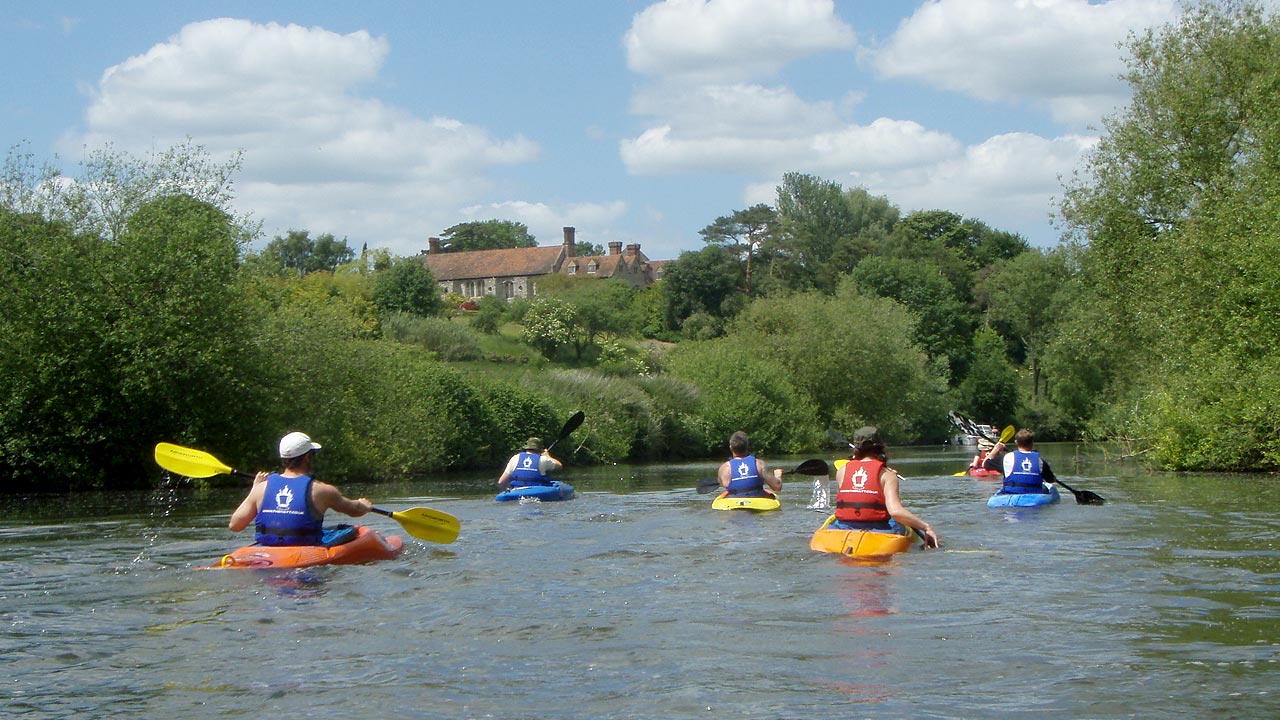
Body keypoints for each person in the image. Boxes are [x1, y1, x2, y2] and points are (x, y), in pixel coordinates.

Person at [228, 431, 372, 546]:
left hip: (268, 552)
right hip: (306, 556)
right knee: (355, 532)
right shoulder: (322, 491)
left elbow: (235, 525)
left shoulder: (261, 488)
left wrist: (255, 488)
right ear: (307, 457)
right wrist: (363, 505)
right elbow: (354, 510)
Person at [831, 427, 940, 548]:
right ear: (881, 448)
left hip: (841, 529)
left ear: (856, 449)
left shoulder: (842, 471)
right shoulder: (887, 475)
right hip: (877, 530)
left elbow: (854, 497)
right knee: (897, 522)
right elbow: (895, 512)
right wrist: (926, 527)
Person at [982, 428, 1057, 494]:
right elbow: (1050, 480)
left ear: (1016, 442)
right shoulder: (1040, 460)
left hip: (1011, 494)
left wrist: (996, 449)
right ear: (1032, 443)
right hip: (1034, 495)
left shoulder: (1006, 458)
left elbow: (985, 464)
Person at [717, 431, 782, 497]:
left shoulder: (724, 468)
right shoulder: (759, 464)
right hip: (758, 500)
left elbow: (723, 484)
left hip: (734, 502)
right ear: (747, 446)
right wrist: (778, 476)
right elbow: (777, 487)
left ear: (730, 447)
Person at [497, 436, 563, 489]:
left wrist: (506, 491)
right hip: (538, 491)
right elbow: (559, 466)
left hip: (517, 490)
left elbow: (501, 482)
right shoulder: (543, 459)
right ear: (539, 449)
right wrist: (548, 456)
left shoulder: (515, 458)